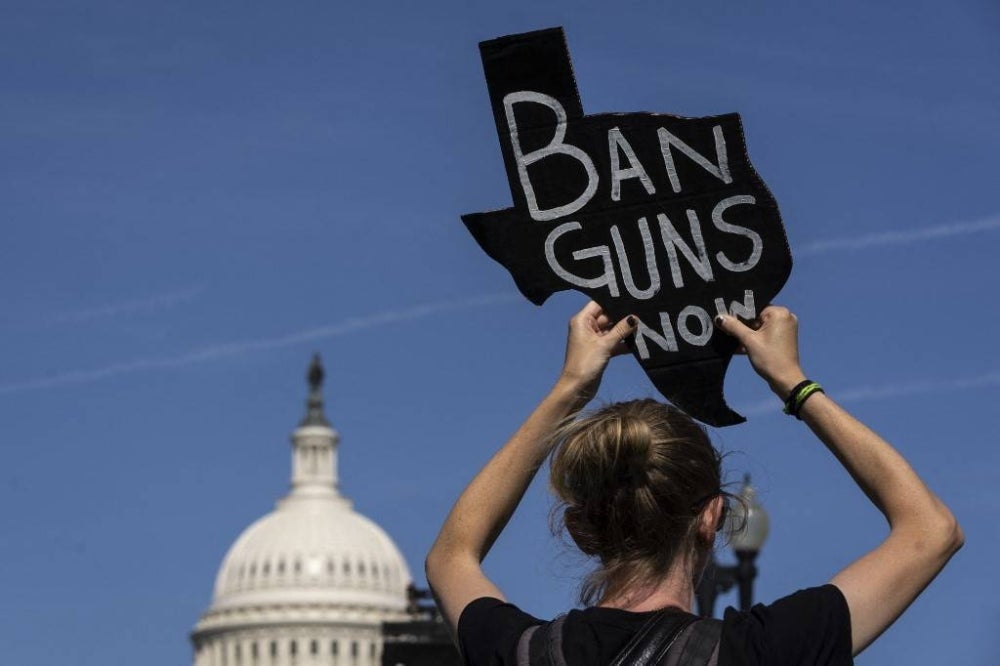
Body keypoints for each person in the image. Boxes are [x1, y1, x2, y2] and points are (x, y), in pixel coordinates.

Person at [426, 301, 963, 664]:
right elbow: (930, 531)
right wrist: (791, 381)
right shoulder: (763, 652)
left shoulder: (523, 651)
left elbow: (452, 556)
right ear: (713, 516)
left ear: (578, 529)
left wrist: (570, 389)